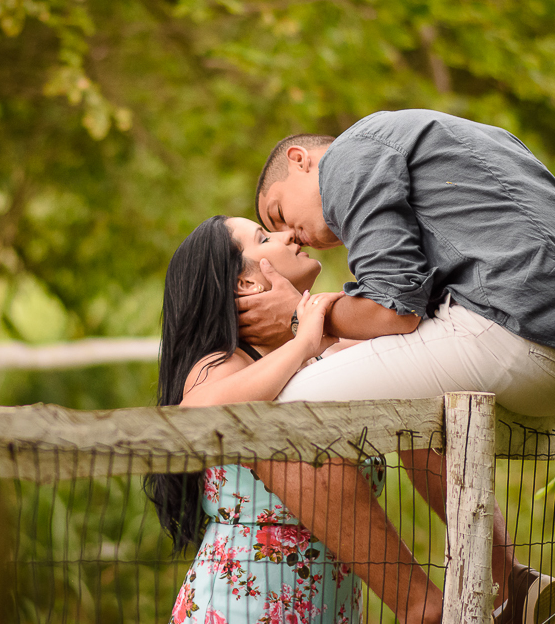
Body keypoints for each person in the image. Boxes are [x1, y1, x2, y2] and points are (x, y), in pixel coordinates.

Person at [239, 109, 555, 624]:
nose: (291, 236)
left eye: (278, 213)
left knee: (285, 417)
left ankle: (421, 610)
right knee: (413, 410)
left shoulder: (347, 155)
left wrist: (304, 316)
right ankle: (514, 584)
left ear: (300, 161)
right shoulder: (487, 139)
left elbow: (395, 310)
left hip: (516, 340)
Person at [147, 215, 440, 624]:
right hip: (239, 612)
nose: (288, 235)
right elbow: (192, 421)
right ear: (245, 283)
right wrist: (301, 342)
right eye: (264, 237)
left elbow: (409, 330)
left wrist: (306, 331)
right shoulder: (225, 364)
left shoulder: (327, 356)